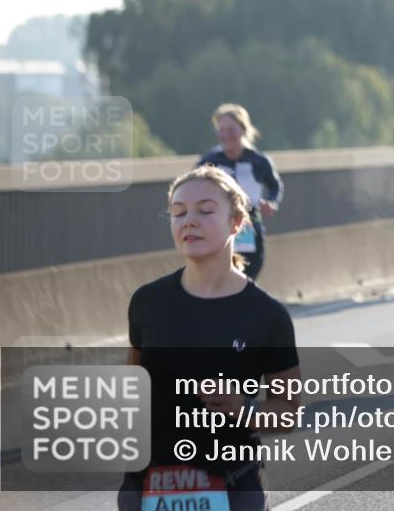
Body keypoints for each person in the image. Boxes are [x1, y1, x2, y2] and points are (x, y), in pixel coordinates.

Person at [120, 166, 301, 511]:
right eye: (178, 212)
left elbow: (288, 413)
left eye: (205, 210)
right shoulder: (147, 301)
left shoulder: (267, 315)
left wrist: (243, 409)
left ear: (236, 222)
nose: (189, 220)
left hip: (231, 488)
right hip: (148, 486)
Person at [198, 104, 283, 279]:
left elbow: (275, 185)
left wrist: (271, 202)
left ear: (243, 129)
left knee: (248, 275)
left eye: (231, 130)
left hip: (248, 223)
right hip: (218, 223)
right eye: (222, 130)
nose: (226, 135)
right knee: (221, 275)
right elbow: (194, 186)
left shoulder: (258, 160)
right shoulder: (210, 160)